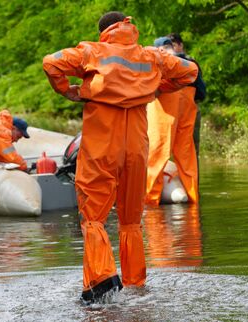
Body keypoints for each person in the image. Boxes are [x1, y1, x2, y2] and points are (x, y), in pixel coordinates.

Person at [42, 11, 198, 303]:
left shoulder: (91, 51)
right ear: (128, 27)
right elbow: (190, 72)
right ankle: (135, 284)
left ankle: (101, 281)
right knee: (130, 221)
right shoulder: (151, 56)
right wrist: (154, 88)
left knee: (93, 218)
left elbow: (50, 62)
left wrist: (69, 91)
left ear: (103, 31)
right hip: (137, 147)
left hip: (102, 145)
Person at [145, 37, 199, 205]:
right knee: (186, 156)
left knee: (158, 153)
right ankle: (192, 198)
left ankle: (150, 201)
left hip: (164, 109)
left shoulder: (157, 61)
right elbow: (201, 92)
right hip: (187, 109)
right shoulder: (190, 63)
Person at [167, 33, 207, 159]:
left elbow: (201, 92)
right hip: (178, 111)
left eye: (173, 45)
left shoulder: (186, 63)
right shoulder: (189, 63)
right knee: (187, 150)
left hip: (185, 111)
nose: (171, 50)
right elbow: (202, 93)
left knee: (188, 149)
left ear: (180, 45)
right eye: (169, 46)